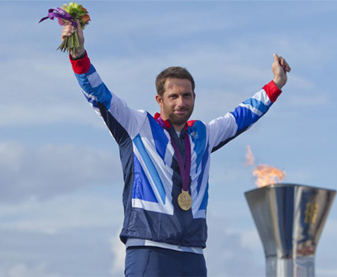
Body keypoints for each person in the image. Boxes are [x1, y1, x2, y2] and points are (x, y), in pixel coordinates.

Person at [61, 21, 291, 277]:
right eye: (174, 96)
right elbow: (98, 94)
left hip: (192, 253)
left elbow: (242, 116)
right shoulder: (137, 125)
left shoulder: (203, 134)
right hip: (149, 249)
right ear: (159, 100)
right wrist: (78, 54)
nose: (181, 102)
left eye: (187, 95)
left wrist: (276, 85)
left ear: (194, 97)